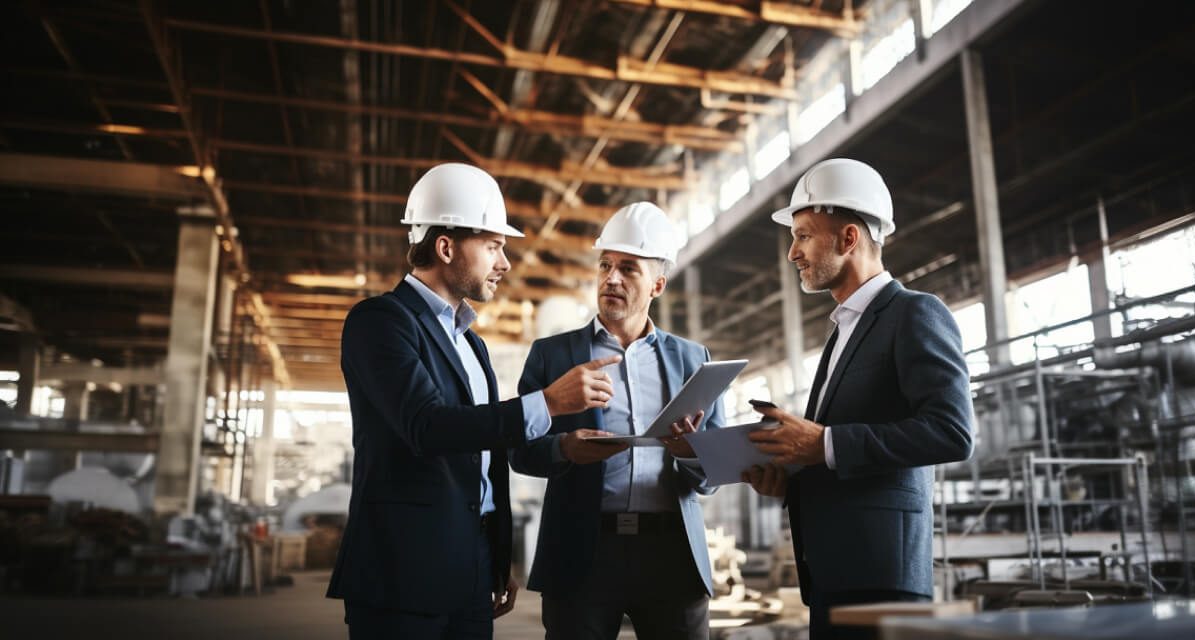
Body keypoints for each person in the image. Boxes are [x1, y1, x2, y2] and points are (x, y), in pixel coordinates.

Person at [327, 163, 621, 639]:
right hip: (402, 575)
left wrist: (495, 553)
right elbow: (427, 426)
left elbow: (486, 454)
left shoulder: (472, 343)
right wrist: (545, 403)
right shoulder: (380, 322)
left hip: (471, 569)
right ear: (445, 247)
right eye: (493, 246)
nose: (504, 263)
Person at [743, 158, 975, 639]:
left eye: (803, 235)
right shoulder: (842, 331)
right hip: (831, 572)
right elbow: (836, 453)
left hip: (883, 574)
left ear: (849, 239)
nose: (793, 253)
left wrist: (824, 444)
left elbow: (953, 432)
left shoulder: (914, 313)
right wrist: (790, 482)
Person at [511, 202, 722, 639]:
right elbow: (520, 450)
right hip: (583, 551)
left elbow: (714, 471)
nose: (611, 278)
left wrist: (693, 455)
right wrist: (565, 447)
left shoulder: (692, 359)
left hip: (671, 554)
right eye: (605, 264)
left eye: (629, 269)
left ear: (658, 285)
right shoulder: (552, 356)